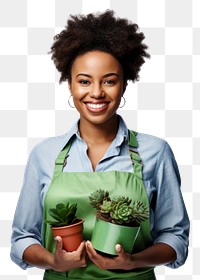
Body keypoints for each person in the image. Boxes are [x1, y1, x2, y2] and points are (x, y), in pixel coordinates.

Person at [11, 10, 190, 280]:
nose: (96, 92)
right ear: (70, 85)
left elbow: (175, 238)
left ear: (124, 85)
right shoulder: (44, 155)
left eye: (109, 81)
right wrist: (53, 261)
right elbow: (22, 238)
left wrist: (133, 261)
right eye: (84, 81)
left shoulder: (155, 152)